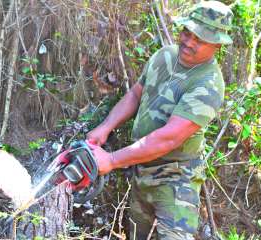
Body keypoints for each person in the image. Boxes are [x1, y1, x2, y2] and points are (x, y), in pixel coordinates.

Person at [86, 1, 233, 239]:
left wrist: (112, 160)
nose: (188, 42)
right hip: (140, 169)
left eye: (200, 39)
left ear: (217, 44)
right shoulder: (164, 56)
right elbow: (136, 94)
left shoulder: (208, 85)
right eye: (187, 32)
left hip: (175, 180)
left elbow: (168, 138)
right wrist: (105, 127)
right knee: (135, 234)